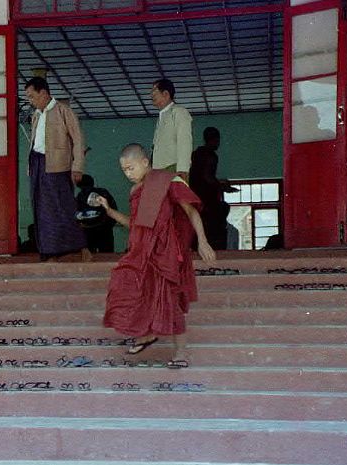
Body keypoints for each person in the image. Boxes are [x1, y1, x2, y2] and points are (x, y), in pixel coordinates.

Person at [94, 143, 216, 368]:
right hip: (142, 253)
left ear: (144, 162)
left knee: (169, 300)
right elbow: (135, 225)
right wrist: (108, 210)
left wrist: (203, 241)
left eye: (131, 168)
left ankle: (181, 352)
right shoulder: (135, 191)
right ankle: (147, 335)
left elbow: (190, 210)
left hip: (167, 253)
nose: (128, 174)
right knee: (127, 287)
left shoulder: (168, 181)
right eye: (124, 170)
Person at [25, 77, 91, 262]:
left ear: (44, 93)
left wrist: (77, 167)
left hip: (58, 166)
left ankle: (82, 248)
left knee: (64, 208)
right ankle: (48, 252)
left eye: (32, 97)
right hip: (38, 164)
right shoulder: (36, 115)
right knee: (41, 210)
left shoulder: (64, 111)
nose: (30, 101)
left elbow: (78, 139)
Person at [189, 127, 236, 250]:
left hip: (195, 199)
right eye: (218, 141)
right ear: (215, 140)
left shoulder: (196, 154)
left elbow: (202, 176)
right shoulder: (210, 155)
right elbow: (207, 177)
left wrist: (219, 183)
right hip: (206, 203)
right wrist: (222, 186)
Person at [150, 78, 193, 180]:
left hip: (174, 169)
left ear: (165, 94)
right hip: (159, 171)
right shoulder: (162, 116)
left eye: (154, 91)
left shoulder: (179, 112)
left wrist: (183, 169)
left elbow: (185, 142)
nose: (151, 95)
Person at [75, 174, 117, 253]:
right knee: (106, 258)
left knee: (92, 258)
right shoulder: (103, 192)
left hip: (92, 232)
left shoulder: (80, 197)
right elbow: (113, 210)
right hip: (102, 231)